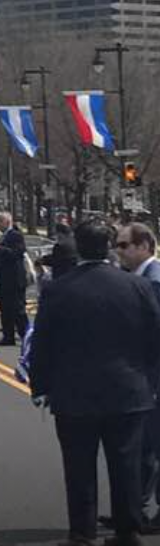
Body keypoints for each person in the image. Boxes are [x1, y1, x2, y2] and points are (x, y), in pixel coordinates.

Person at [29, 218, 160, 546]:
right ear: (108, 246)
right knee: (127, 464)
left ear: (78, 245)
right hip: (129, 389)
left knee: (79, 466)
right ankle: (128, 531)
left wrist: (40, 386)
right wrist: (148, 378)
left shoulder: (59, 289)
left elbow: (43, 342)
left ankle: (82, 533)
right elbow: (154, 338)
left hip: (74, 392)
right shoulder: (138, 287)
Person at [108, 223, 160, 534]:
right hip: (144, 374)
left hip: (152, 374)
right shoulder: (138, 279)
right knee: (142, 446)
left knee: (153, 445)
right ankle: (131, 510)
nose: (119, 250)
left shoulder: (153, 281)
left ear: (144, 246)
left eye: (125, 245)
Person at [0, 212, 29, 346]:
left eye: (0, 221)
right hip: (1, 280)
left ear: (7, 222)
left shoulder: (15, 235)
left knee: (18, 311)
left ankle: (27, 337)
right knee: (5, 310)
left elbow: (18, 253)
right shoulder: (0, 236)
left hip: (13, 280)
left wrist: (0, 248)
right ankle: (8, 336)